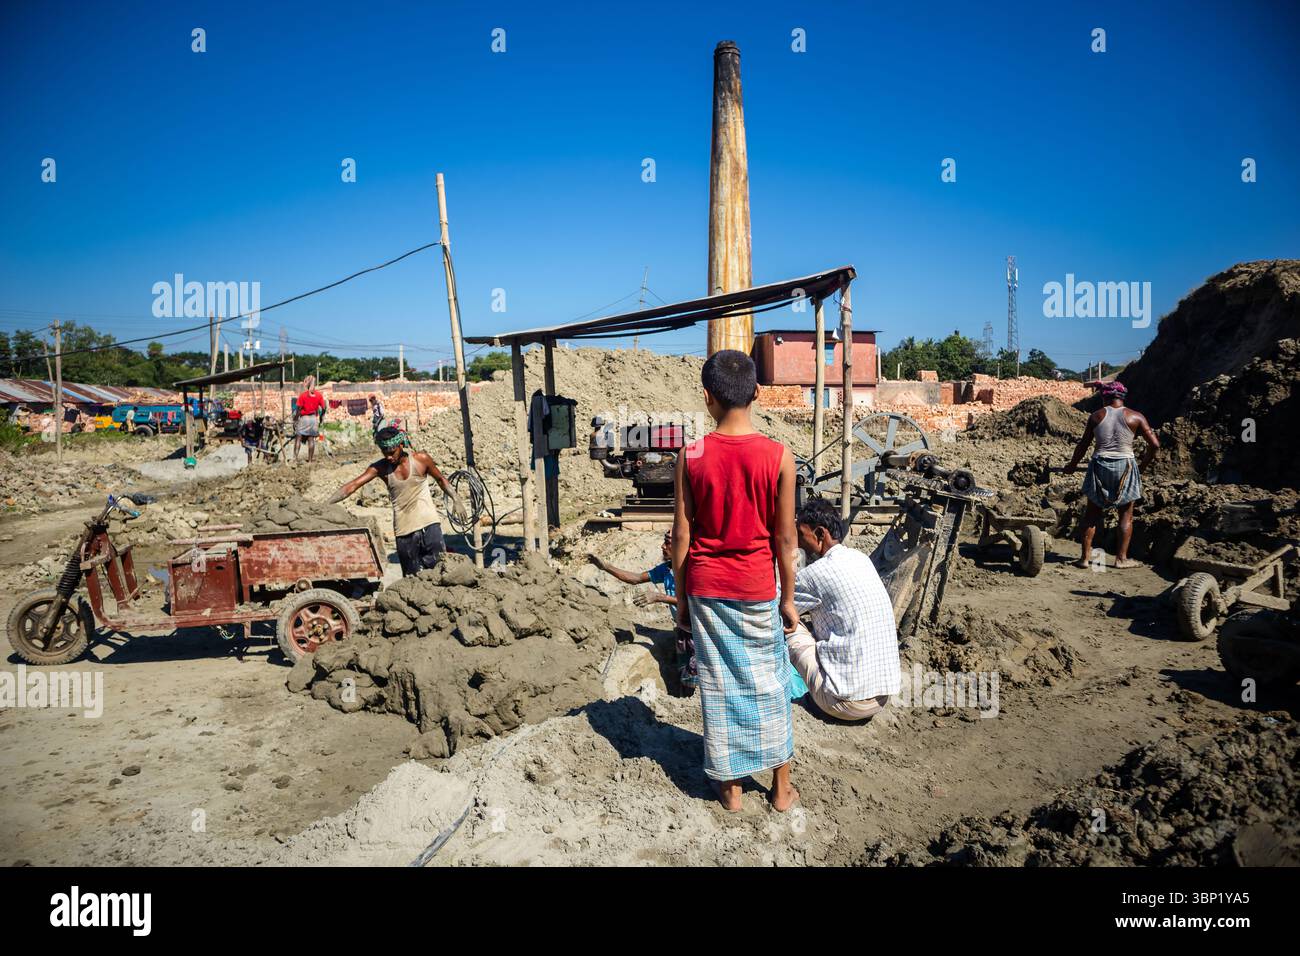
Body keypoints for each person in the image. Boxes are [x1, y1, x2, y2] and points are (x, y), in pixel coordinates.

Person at [672, 349, 799, 813]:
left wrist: (682, 600)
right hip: (756, 586)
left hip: (707, 587)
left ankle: (731, 790)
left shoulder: (692, 455)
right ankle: (782, 788)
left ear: (707, 397)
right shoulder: (779, 456)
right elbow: (785, 538)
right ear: (758, 393)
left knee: (720, 685)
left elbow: (682, 534)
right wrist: (788, 598)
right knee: (770, 681)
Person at [788, 497, 900, 721]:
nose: (799, 542)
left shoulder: (815, 574)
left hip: (845, 704)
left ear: (820, 534)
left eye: (801, 535)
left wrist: (787, 552)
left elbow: (780, 603)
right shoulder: (861, 559)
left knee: (788, 624)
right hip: (881, 699)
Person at [329, 419, 467, 576]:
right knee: (412, 579)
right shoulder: (380, 468)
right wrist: (325, 505)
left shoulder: (421, 460)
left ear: (401, 445)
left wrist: (456, 500)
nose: (388, 457)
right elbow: (351, 486)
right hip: (404, 531)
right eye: (384, 452)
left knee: (440, 572)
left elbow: (441, 480)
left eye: (391, 452)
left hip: (429, 525)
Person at [1064, 381, 1160, 569]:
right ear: (1122, 397)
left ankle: (1085, 559)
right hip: (1126, 465)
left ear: (1104, 398)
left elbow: (1083, 445)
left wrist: (1072, 465)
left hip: (1100, 464)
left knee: (1091, 514)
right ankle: (1121, 559)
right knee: (1125, 515)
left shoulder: (1096, 416)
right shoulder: (1136, 417)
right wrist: (1142, 466)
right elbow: (1155, 445)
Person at [587, 532, 695, 689]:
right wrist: (606, 567)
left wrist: (660, 597)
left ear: (681, 544)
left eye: (667, 542)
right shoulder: (666, 569)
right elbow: (636, 578)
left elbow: (694, 603)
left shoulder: (693, 569)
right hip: (682, 630)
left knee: (697, 675)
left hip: (699, 633)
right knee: (684, 675)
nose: (662, 546)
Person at [294, 376, 325, 463]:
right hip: (313, 419)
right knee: (311, 439)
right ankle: (310, 461)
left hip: (304, 419)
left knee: (298, 438)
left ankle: (295, 459)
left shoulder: (303, 396)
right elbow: (324, 407)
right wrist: (321, 417)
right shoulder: (319, 395)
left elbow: (298, 409)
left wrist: (295, 419)